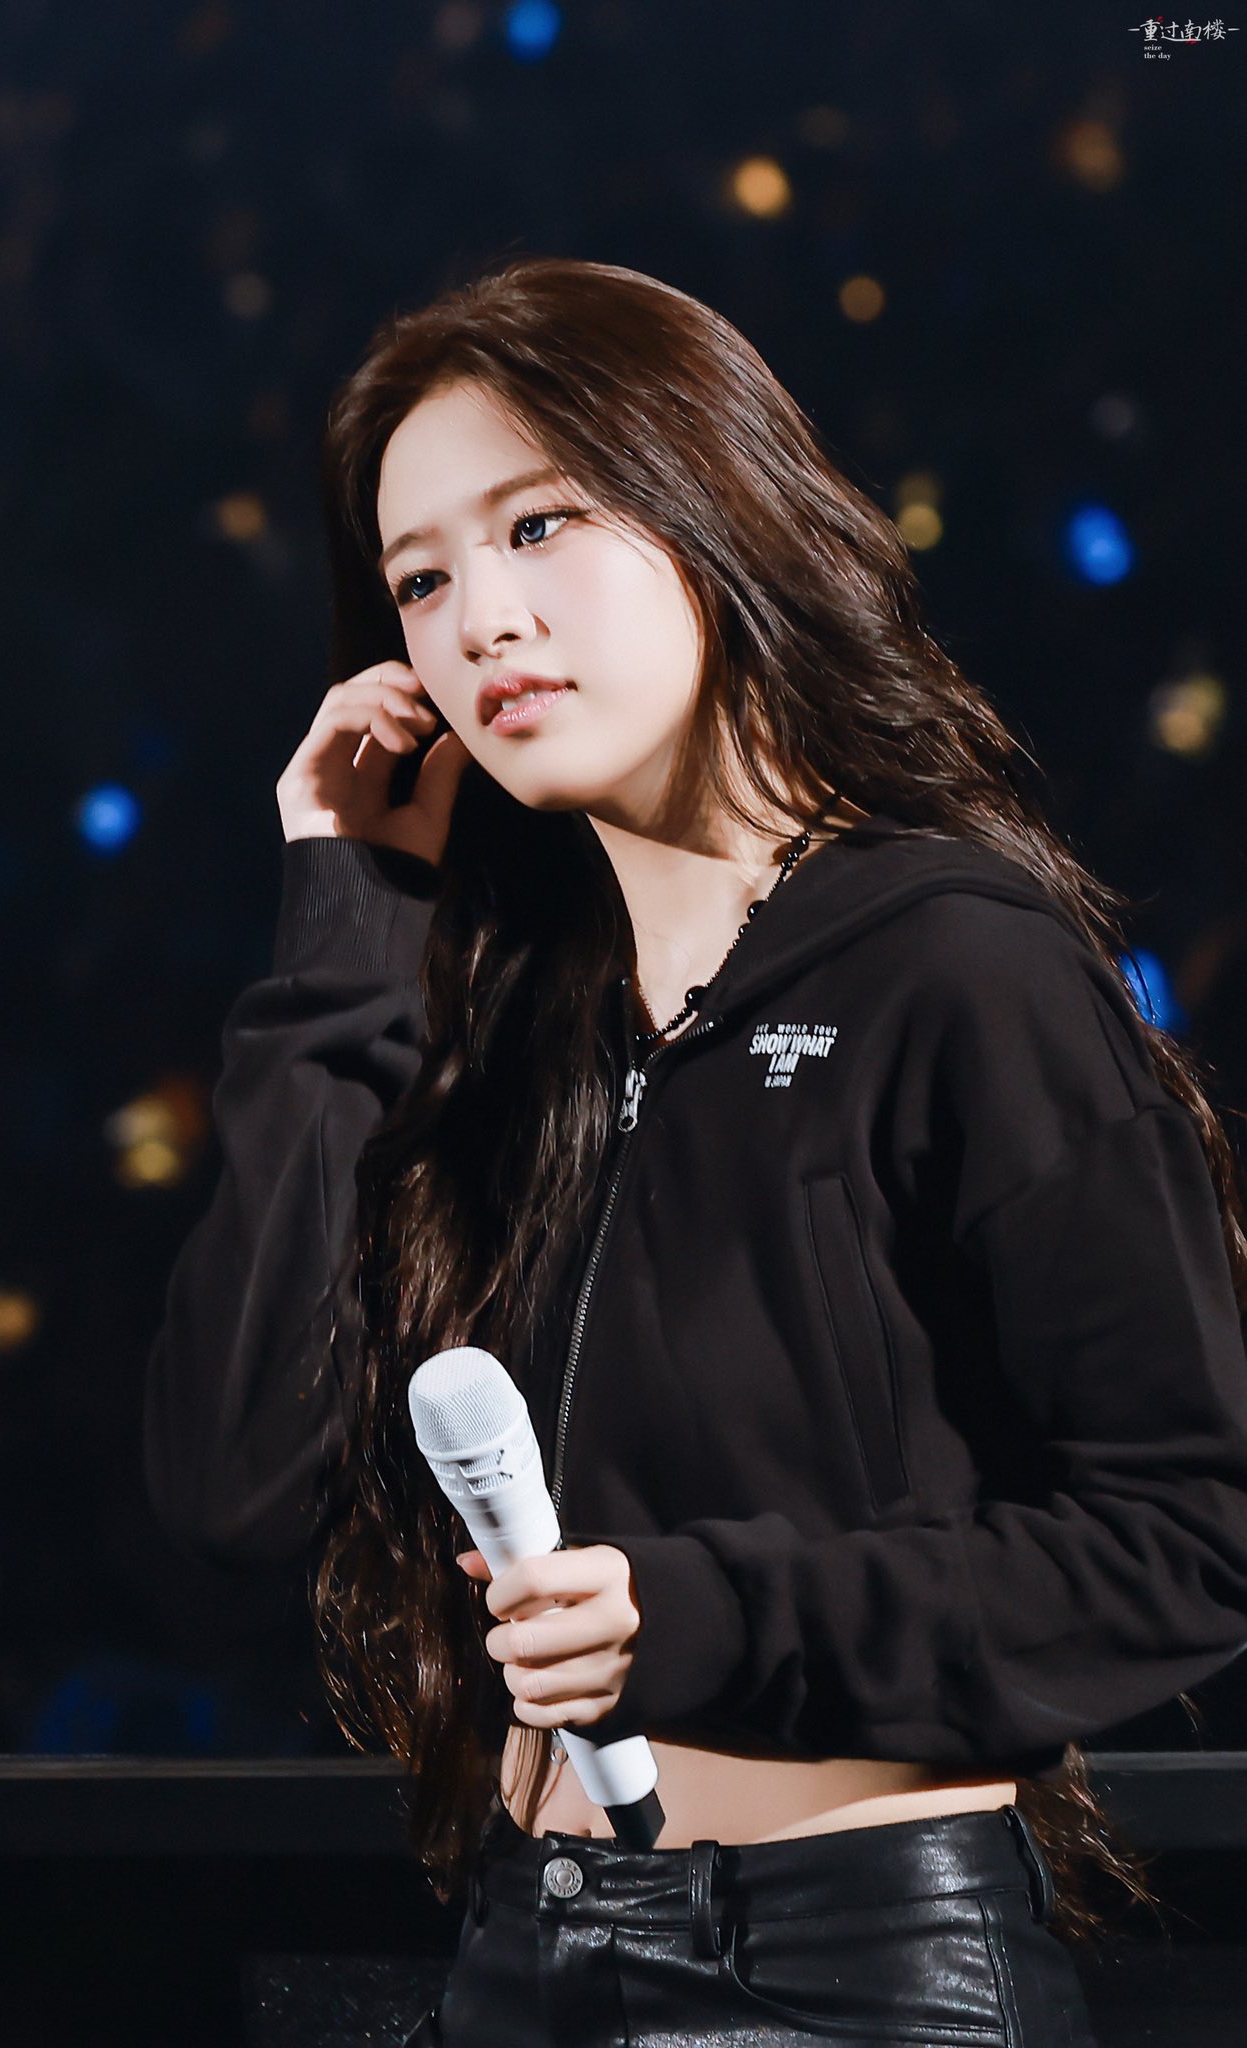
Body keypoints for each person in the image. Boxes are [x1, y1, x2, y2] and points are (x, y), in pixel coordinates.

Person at [144, 257, 1247, 2046]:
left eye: (539, 525)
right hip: (522, 1944)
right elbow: (234, 1485)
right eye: (420, 579)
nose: (481, 618)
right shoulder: (511, 1032)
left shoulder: (952, 966)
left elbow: (1187, 1538)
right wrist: (343, 939)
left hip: (852, 1971)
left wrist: (699, 1613)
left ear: (709, 507)